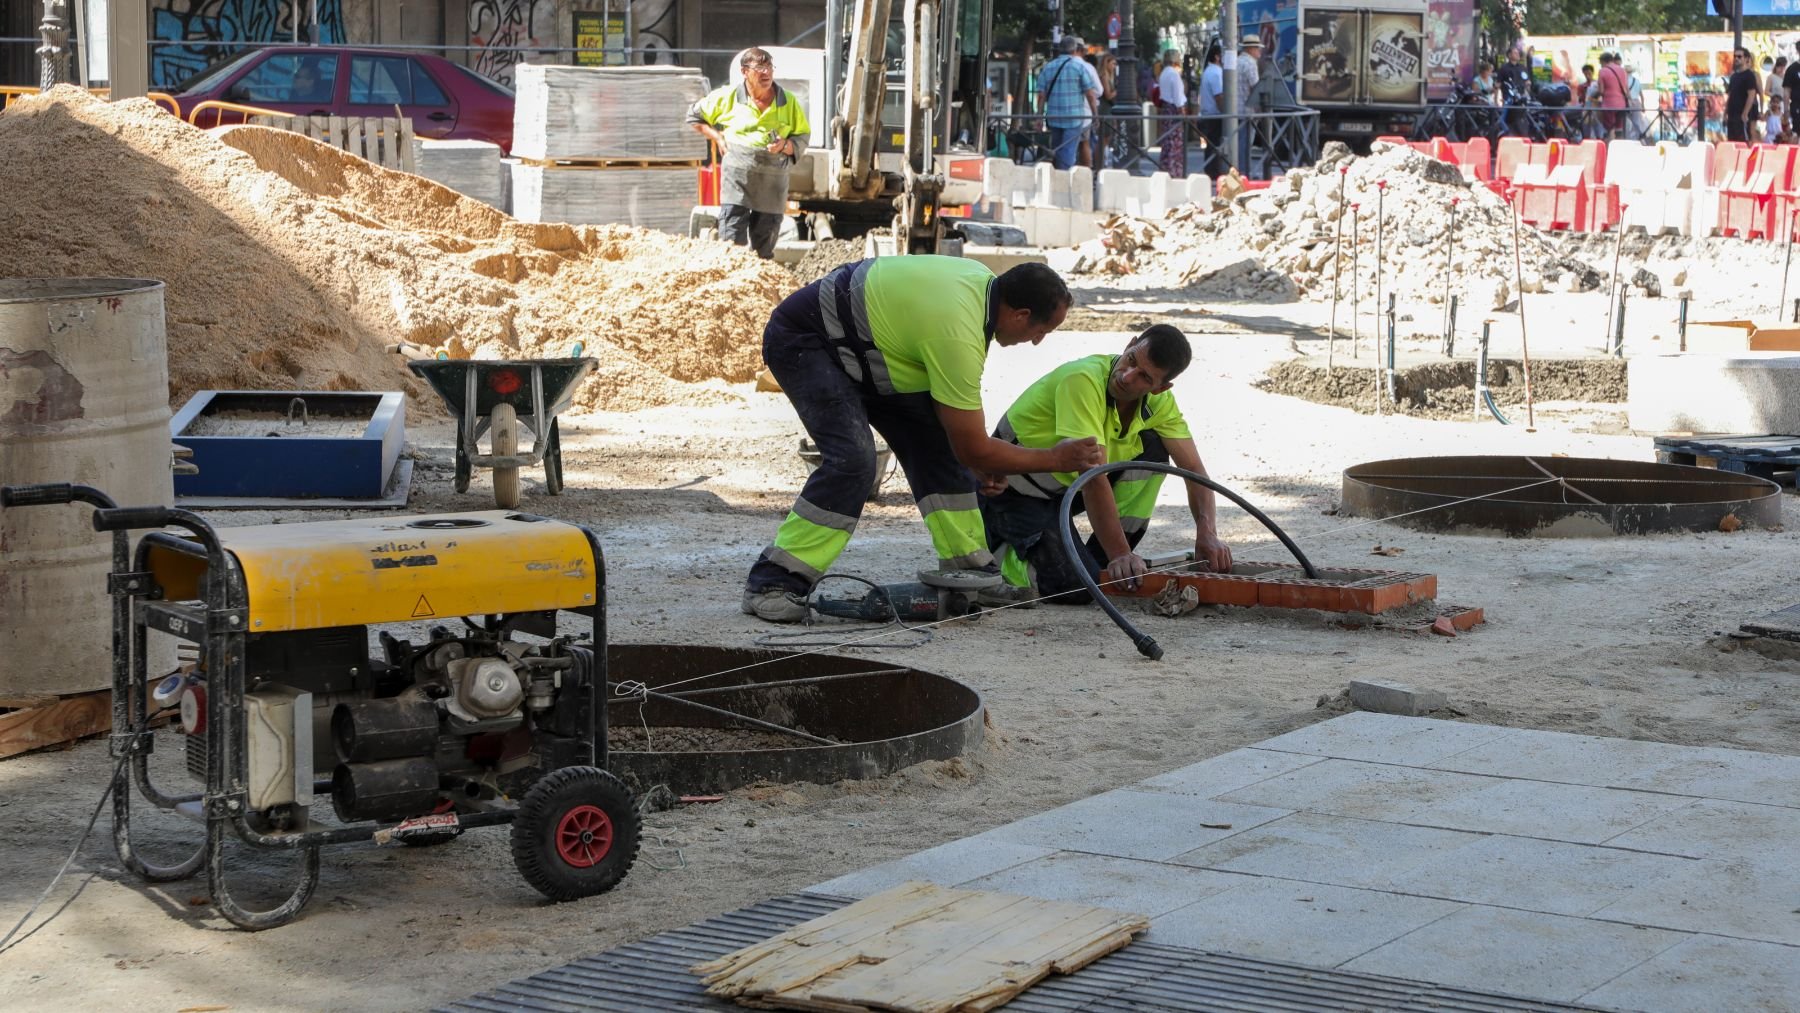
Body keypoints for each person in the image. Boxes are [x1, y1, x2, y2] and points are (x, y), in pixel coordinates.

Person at [741, 257, 1105, 623]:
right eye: (1043, 330)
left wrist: (978, 459)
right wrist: (1056, 460)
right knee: (853, 463)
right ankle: (773, 582)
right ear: (1020, 315)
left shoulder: (982, 290)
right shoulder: (957, 331)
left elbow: (964, 443)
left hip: (872, 351)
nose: (1038, 341)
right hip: (808, 341)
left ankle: (971, 572)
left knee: (940, 451)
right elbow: (973, 446)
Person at [978, 325, 1232, 605]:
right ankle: (998, 555)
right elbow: (1092, 477)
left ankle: (1103, 557)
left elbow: (1193, 470)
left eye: (1144, 377)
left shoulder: (1160, 403)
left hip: (1063, 491)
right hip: (1011, 492)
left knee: (1154, 449)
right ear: (1129, 344)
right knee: (1076, 587)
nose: (1127, 376)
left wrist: (1207, 532)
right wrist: (1122, 554)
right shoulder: (1083, 380)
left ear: (1160, 388)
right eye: (1131, 359)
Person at [686, 48, 811, 260]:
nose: (766, 73)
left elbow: (802, 136)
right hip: (738, 180)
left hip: (772, 184)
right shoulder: (728, 97)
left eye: (769, 67)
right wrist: (717, 137)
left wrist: (784, 145)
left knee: (764, 249)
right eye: (760, 68)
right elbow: (694, 116)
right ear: (745, 72)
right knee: (731, 242)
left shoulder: (788, 102)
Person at [1037, 34, 1101, 171]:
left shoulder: (1048, 67)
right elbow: (1090, 94)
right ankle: (1064, 180)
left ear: (1060, 50)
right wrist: (1095, 114)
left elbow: (1041, 95)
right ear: (1074, 50)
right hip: (1074, 117)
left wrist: (1038, 116)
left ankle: (1057, 177)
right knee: (1068, 150)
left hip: (1053, 116)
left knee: (1057, 148)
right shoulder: (1079, 67)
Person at [1156, 48, 1188, 178]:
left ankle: (1165, 168)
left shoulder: (1163, 73)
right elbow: (1178, 97)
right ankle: (1174, 170)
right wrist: (1183, 113)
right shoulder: (1174, 74)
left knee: (1167, 141)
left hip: (1166, 108)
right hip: (1174, 110)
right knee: (1174, 142)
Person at [1198, 44, 1225, 177]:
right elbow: (1219, 96)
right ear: (1217, 57)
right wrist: (1226, 112)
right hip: (1215, 114)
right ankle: (1214, 173)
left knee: (1210, 146)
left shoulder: (1208, 71)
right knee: (1214, 145)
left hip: (1207, 113)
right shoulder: (1216, 73)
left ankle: (1210, 171)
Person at [1726, 47, 1760, 143]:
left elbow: (1751, 94)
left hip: (1741, 115)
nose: (1736, 58)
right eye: (1735, 56)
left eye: (1739, 56)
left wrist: (1745, 113)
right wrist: (1725, 112)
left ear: (1746, 59)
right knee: (1732, 141)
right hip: (1732, 115)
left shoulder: (1749, 75)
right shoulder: (1734, 76)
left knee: (1743, 141)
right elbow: (1730, 95)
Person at [1599, 53, 1629, 137]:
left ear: (1603, 61)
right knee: (1619, 128)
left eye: (1601, 63)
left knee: (1610, 128)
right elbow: (1626, 88)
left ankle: (1610, 146)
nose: (1601, 65)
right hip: (1621, 104)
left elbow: (1601, 91)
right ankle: (1619, 146)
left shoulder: (1602, 71)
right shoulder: (1622, 70)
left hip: (1609, 104)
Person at [1784, 42, 1800, 133]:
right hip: (1797, 105)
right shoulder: (1792, 69)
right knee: (1796, 132)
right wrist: (1786, 110)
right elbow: (1786, 90)